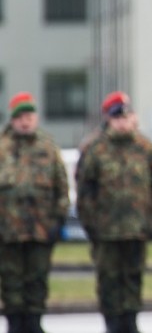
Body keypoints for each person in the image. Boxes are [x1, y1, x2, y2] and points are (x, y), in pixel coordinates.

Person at [77, 92, 152, 333]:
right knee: (109, 278)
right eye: (118, 118)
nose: (123, 123)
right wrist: (91, 223)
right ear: (109, 119)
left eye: (126, 118)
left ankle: (131, 320)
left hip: (136, 227)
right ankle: (112, 323)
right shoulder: (95, 149)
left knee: (133, 277)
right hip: (106, 229)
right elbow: (85, 190)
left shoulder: (144, 148)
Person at [0, 92, 69, 333]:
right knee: (11, 282)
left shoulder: (47, 147)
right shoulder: (2, 148)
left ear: (36, 118)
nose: (25, 122)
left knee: (37, 280)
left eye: (29, 116)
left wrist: (58, 219)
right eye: (20, 117)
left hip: (40, 229)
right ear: (13, 119)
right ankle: (14, 324)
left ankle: (35, 323)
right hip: (8, 231)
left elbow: (61, 186)